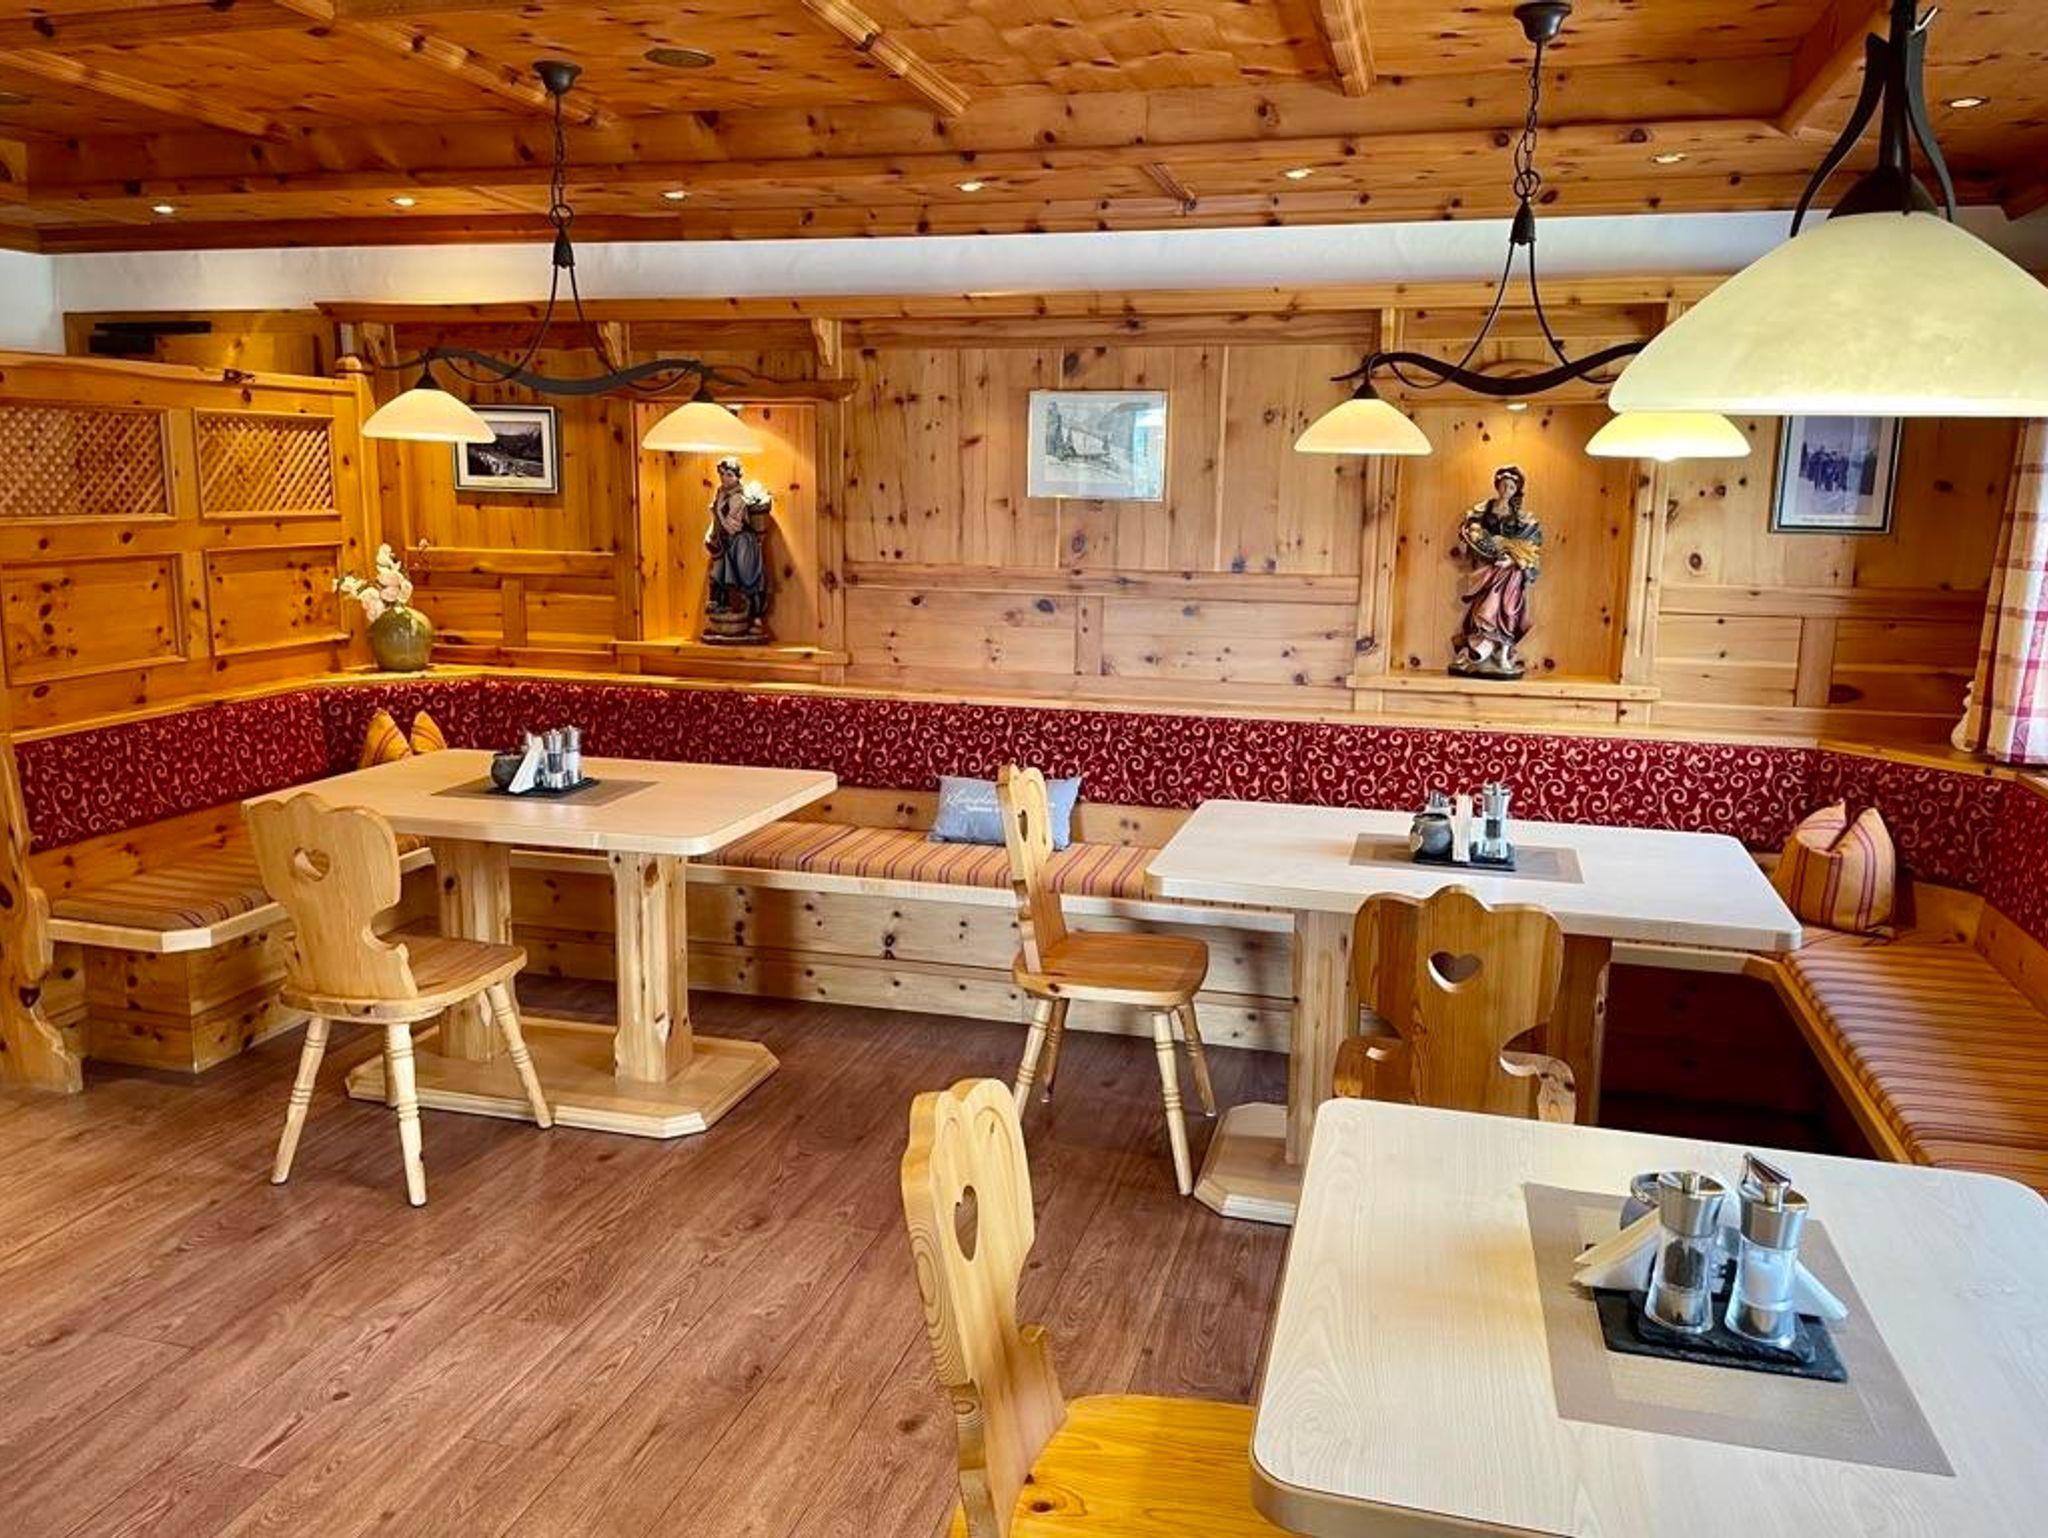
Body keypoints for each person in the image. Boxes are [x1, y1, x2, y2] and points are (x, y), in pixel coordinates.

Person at [1450, 465, 1543, 679]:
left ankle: (1502, 651)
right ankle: (1480, 648)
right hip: (1487, 567)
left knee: (1507, 608)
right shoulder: (1484, 510)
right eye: (1503, 485)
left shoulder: (1520, 516)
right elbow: (1472, 530)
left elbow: (1530, 542)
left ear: (1516, 491)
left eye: (1511, 487)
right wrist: (1478, 541)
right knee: (1482, 606)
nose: (1506, 490)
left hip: (1510, 569)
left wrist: (1511, 558)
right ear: (1497, 486)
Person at [704, 456, 768, 636]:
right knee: (718, 575)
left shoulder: (738, 497)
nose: (725, 478)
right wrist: (710, 534)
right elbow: (716, 521)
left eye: (729, 475)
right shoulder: (721, 493)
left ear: (737, 477)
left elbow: (732, 526)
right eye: (722, 474)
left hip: (741, 542)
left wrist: (718, 511)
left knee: (748, 578)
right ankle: (720, 613)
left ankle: (756, 618)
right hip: (725, 541)